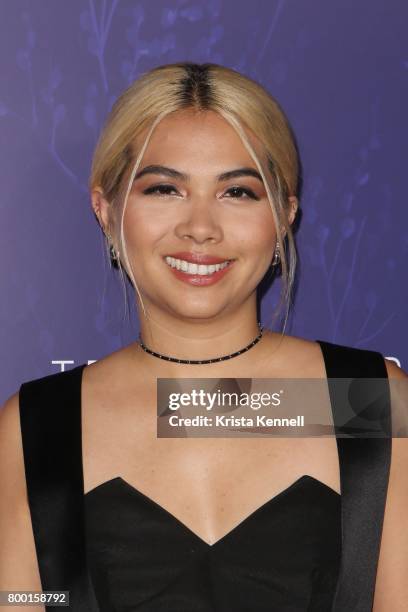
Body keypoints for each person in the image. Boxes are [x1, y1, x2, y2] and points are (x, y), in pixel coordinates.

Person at [0, 62, 407, 612]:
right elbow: (22, 599)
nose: (200, 228)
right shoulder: (38, 425)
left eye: (238, 192)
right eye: (165, 188)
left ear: (285, 215)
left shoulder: (364, 400)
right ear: (106, 210)